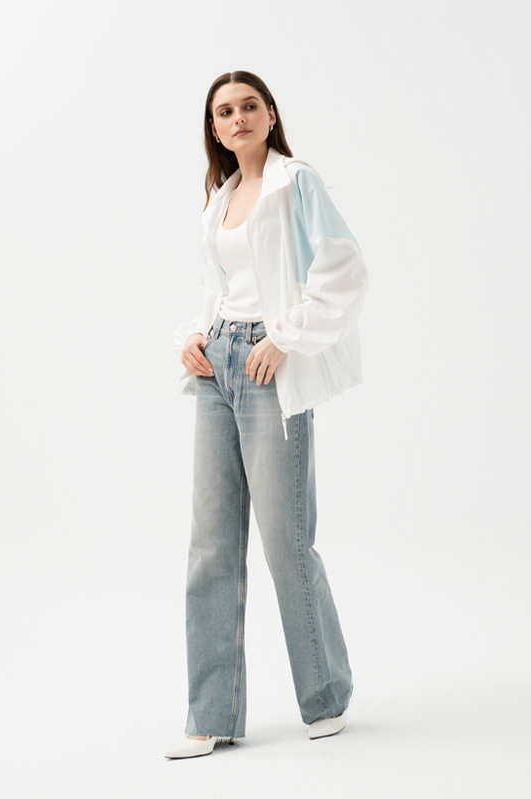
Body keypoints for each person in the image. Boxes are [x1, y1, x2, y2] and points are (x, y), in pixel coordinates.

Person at [166, 71, 368, 759]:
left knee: (286, 542)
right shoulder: (219, 197)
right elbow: (218, 286)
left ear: (271, 114)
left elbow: (343, 269)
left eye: (249, 105)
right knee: (210, 546)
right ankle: (210, 714)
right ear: (214, 128)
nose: (238, 117)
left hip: (266, 366)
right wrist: (194, 335)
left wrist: (284, 337)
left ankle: (326, 695)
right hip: (218, 365)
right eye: (225, 111)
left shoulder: (296, 182)